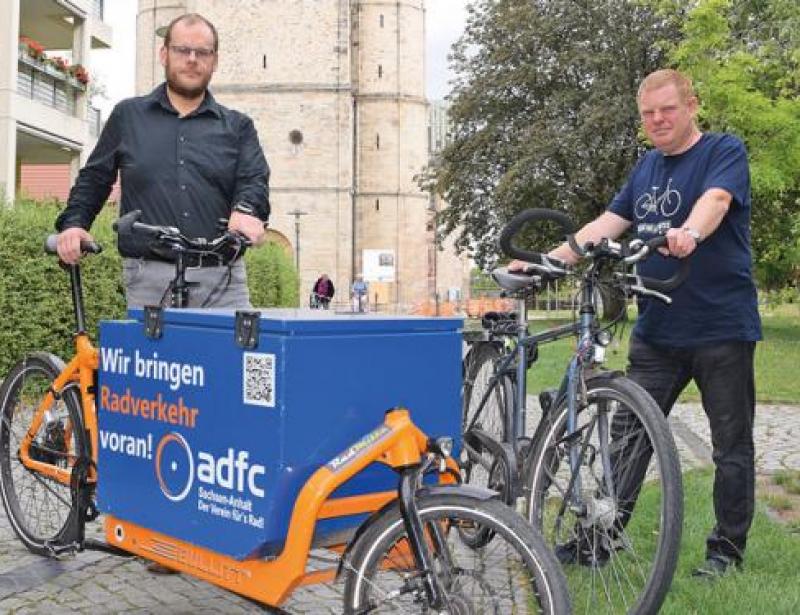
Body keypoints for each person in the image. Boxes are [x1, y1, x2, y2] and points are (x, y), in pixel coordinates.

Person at [512, 69, 761, 578]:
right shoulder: (647, 167)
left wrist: (690, 233)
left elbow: (715, 201)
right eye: (648, 113)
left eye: (667, 109)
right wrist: (548, 261)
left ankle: (725, 552)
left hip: (720, 328)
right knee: (628, 438)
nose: (658, 120)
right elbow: (606, 224)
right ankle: (601, 538)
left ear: (691, 105)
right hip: (657, 329)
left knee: (730, 446)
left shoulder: (723, 151)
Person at [54, 13, 269, 309]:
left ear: (215, 61)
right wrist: (74, 224)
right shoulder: (128, 116)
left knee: (238, 342)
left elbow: (254, 180)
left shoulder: (238, 127)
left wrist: (246, 210)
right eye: (182, 50)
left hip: (224, 282)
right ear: (164, 54)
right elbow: (95, 179)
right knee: (149, 344)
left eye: (203, 52)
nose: (192, 59)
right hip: (149, 281)